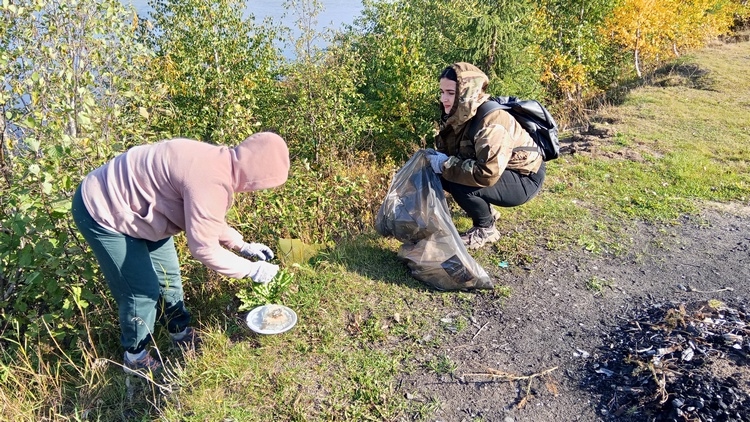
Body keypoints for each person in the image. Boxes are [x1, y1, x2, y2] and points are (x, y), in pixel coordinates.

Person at [71, 132, 290, 373]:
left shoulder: (219, 162)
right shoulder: (210, 179)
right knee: (142, 292)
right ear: (255, 175)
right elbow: (204, 248)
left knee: (169, 277)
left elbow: (205, 219)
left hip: (141, 209)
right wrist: (252, 270)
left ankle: (180, 332)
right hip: (103, 208)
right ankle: (135, 358)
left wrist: (241, 245)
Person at [429, 62, 545, 249]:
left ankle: (485, 228)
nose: (444, 99)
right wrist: (436, 160)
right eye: (442, 92)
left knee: (458, 181)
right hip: (500, 170)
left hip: (525, 177)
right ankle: (486, 209)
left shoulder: (492, 121)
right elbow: (452, 151)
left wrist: (444, 165)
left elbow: (487, 173)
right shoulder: (460, 114)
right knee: (445, 174)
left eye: (450, 93)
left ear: (466, 92)